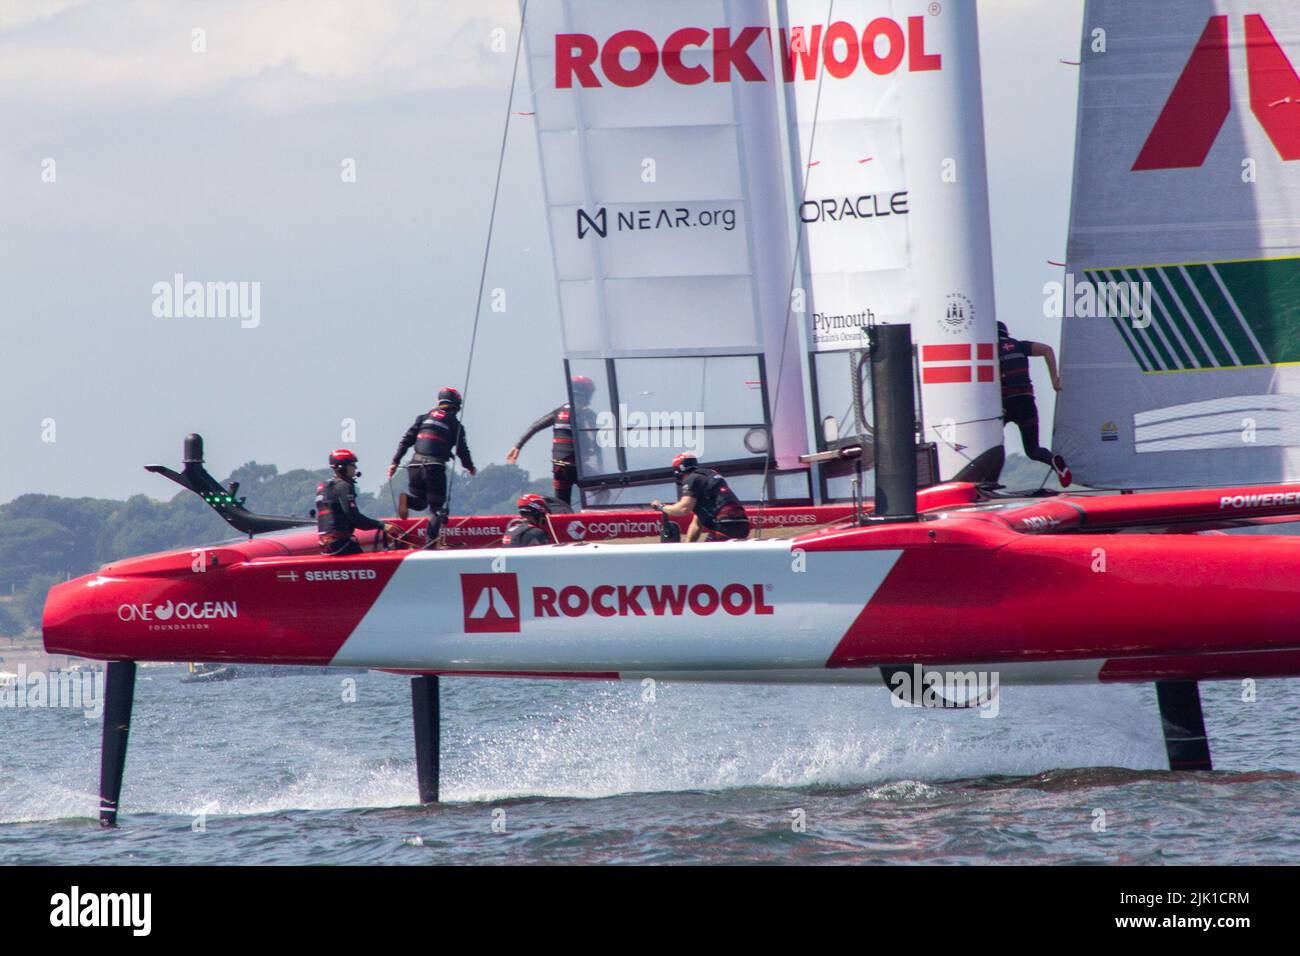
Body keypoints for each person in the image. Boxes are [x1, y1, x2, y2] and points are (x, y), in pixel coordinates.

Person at [387, 387, 476, 539]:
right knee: (437, 510)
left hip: (414, 466)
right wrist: (469, 467)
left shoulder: (423, 418)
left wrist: (394, 462)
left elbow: (406, 440)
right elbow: (462, 450)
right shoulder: (455, 424)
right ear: (455, 406)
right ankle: (430, 546)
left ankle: (407, 499)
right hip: (434, 468)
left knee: (421, 503)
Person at [505, 375, 600, 507]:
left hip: (559, 467)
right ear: (587, 393)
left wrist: (518, 446)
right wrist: (600, 465)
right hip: (578, 467)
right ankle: (593, 519)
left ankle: (562, 524)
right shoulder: (587, 412)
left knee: (562, 505)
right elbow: (596, 440)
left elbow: (535, 426)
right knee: (603, 491)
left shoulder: (559, 411)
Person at [997, 321, 1072, 487]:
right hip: (1026, 401)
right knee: (1033, 450)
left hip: (1005, 404)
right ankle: (1053, 460)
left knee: (990, 444)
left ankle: (988, 480)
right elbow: (1047, 349)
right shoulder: (1019, 345)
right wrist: (1054, 379)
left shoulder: (989, 350)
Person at [651, 453, 750, 542]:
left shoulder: (692, 478)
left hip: (725, 524)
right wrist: (687, 550)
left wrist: (661, 506)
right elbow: (696, 525)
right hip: (742, 523)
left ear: (678, 471)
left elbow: (683, 509)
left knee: (706, 560)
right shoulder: (707, 476)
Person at [316, 449, 391, 556]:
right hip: (340, 545)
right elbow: (354, 518)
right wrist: (381, 525)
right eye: (352, 464)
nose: (355, 468)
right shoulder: (344, 485)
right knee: (368, 569)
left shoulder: (322, 487)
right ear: (342, 467)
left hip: (325, 545)